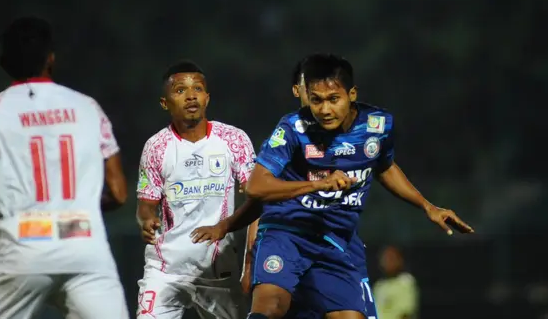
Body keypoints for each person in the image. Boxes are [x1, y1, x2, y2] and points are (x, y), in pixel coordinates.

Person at [193, 53, 473, 319]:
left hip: (338, 239)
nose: (324, 109)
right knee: (271, 305)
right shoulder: (293, 128)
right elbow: (256, 187)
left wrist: (427, 206)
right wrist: (316, 185)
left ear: (352, 95)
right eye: (316, 100)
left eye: (333, 99)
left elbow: (384, 167)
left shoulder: (378, 125)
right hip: (287, 232)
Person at [0, 16, 129, 319]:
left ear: (4, 62)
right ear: (51, 58)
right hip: (86, 248)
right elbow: (118, 193)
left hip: (25, 247)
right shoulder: (88, 107)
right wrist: (82, 206)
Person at [239, 57, 379, 319]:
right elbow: (260, 200)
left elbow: (383, 166)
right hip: (288, 243)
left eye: (331, 94)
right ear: (299, 90)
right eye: (313, 90)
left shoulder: (356, 134)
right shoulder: (288, 134)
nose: (322, 99)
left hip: (340, 248)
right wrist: (249, 260)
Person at [135, 60, 257, 319]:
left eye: (197, 89)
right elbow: (146, 205)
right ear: (164, 103)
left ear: (207, 97)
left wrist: (249, 262)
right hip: (165, 269)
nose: (191, 96)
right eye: (180, 90)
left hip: (219, 270)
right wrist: (146, 221)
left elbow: (258, 201)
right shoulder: (156, 147)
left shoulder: (233, 139)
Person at [374, 245, 419, 319]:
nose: (387, 262)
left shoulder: (406, 282)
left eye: (391, 258)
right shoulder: (378, 285)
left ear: (400, 260)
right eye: (385, 259)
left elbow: (406, 314)